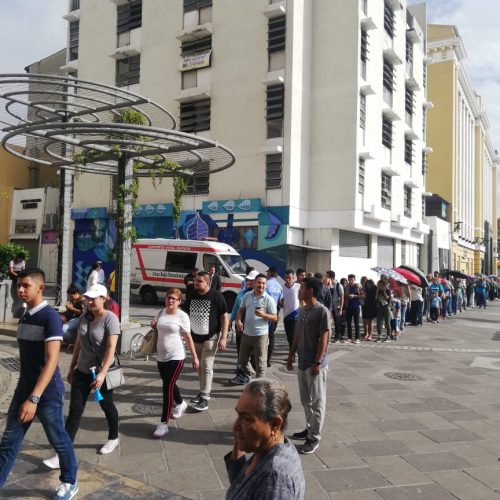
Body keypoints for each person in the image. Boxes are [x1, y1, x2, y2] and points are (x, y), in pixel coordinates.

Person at [0, 268, 78, 500]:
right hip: (23, 389)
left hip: (46, 393)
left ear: (40, 288)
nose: (20, 290)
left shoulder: (49, 317)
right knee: (9, 441)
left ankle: (70, 482)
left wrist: (34, 398)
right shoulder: (26, 315)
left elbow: (52, 360)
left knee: (58, 440)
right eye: (18, 285)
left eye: (26, 285)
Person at [43, 284, 121, 471]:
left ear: (104, 298)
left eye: (94, 298)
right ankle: (62, 455)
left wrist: (102, 373)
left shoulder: (110, 318)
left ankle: (113, 437)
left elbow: (111, 348)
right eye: (88, 298)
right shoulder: (85, 316)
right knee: (75, 411)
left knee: (107, 405)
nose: (90, 301)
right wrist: (72, 368)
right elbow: (78, 342)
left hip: (101, 372)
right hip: (83, 371)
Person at [225, 379, 305, 500]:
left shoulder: (274, 478)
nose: (235, 426)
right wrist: (239, 444)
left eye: (246, 419)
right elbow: (241, 486)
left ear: (275, 424)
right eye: (238, 415)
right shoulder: (266, 450)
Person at [287, 277, 330, 454]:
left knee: (317, 401)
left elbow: (324, 338)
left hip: (315, 364)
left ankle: (314, 437)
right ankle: (309, 427)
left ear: (311, 290)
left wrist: (318, 362)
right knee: (305, 400)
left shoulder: (322, 311)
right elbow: (297, 335)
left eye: (302, 287)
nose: (299, 290)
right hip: (302, 361)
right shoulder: (303, 309)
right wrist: (291, 355)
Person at [150, 288, 200, 438]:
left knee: (167, 387)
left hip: (176, 356)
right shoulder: (160, 313)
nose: (170, 300)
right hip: (161, 356)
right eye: (168, 297)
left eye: (174, 299)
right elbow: (158, 330)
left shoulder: (182, 316)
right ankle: (181, 403)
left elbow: (188, 337)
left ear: (179, 302)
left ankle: (163, 424)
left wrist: (195, 357)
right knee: (169, 383)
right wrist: (153, 325)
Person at [182, 271, 228, 411]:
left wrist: (223, 337)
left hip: (211, 338)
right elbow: (184, 312)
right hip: (195, 337)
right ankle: (202, 391)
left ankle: (205, 397)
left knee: (206, 365)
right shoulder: (192, 294)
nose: (196, 283)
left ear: (207, 282)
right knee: (199, 366)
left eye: (199, 281)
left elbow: (224, 317)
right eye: (196, 280)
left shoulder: (217, 296)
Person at [232, 274, 277, 382]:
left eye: (263, 283)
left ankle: (259, 386)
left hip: (261, 335)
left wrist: (263, 315)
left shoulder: (268, 299)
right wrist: (238, 320)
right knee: (242, 361)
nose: (261, 285)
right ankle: (254, 377)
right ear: (254, 283)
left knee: (261, 363)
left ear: (266, 285)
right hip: (247, 333)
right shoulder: (247, 295)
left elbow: (275, 317)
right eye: (259, 282)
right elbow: (241, 309)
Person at [230, 270, 258, 384]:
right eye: (247, 280)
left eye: (251, 280)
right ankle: (241, 375)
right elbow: (236, 308)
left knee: (254, 355)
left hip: (254, 330)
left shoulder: (261, 295)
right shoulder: (242, 293)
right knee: (241, 352)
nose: (248, 282)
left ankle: (253, 376)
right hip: (241, 327)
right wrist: (230, 321)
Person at [265, 267, 283, 367]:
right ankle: (268, 360)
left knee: (262, 337)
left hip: (264, 315)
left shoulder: (266, 284)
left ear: (270, 273)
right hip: (274, 315)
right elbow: (281, 303)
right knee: (271, 337)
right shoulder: (279, 286)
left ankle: (261, 359)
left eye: (267, 273)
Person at [281, 270, 300, 350]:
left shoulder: (298, 286)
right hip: (286, 315)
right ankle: (292, 351)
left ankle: (293, 353)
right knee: (289, 336)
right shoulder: (282, 287)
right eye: (286, 277)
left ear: (293, 278)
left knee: (294, 335)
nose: (287, 279)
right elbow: (280, 300)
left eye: (289, 277)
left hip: (296, 315)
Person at [344, 274, 363, 344]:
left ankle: (357, 338)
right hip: (348, 307)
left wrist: (354, 296)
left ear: (354, 280)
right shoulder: (346, 287)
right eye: (349, 280)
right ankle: (349, 338)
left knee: (356, 323)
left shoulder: (358, 286)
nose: (350, 281)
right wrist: (348, 296)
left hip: (356, 307)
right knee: (348, 323)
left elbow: (363, 296)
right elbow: (344, 296)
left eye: (352, 280)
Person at [326, 271, 344, 343]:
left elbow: (342, 297)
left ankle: (337, 337)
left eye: (327, 276)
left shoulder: (338, 285)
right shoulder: (327, 285)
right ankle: (329, 336)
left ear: (331, 277)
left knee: (337, 322)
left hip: (336, 306)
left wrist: (341, 307)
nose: (326, 278)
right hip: (330, 307)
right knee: (329, 322)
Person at [8, 252, 26, 317]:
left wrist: (22, 275)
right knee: (15, 298)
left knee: (20, 299)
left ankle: (19, 312)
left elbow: (23, 270)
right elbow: (11, 271)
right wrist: (17, 275)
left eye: (22, 260)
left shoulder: (23, 262)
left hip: (19, 276)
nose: (21, 261)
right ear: (17, 258)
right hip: (14, 276)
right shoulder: (12, 262)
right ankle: (14, 312)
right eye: (20, 259)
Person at [375, 278, 391, 342]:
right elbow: (376, 298)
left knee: (387, 323)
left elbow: (387, 297)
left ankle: (388, 336)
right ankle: (379, 336)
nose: (379, 286)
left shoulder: (388, 290)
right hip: (380, 308)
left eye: (381, 285)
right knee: (378, 322)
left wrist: (384, 291)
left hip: (387, 307)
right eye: (378, 285)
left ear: (384, 285)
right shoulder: (378, 291)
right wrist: (377, 290)